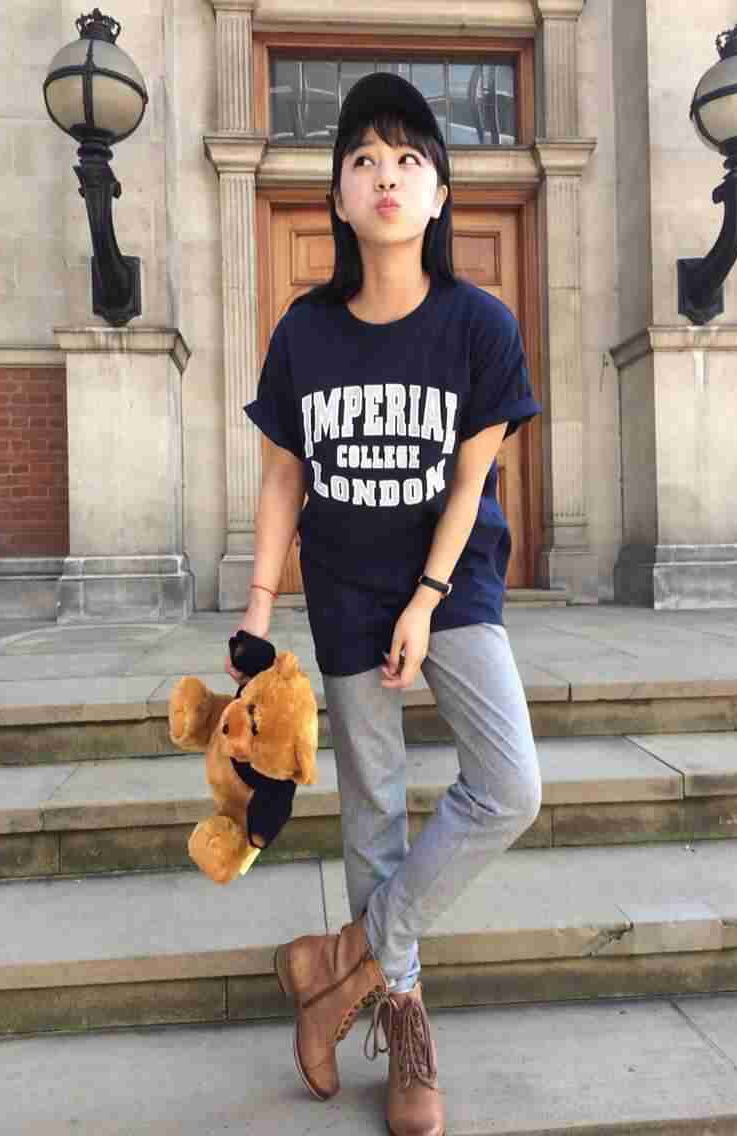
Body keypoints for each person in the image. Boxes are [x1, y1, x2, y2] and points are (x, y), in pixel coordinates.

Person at [226, 71, 543, 1136]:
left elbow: (472, 479)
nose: (386, 175)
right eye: (363, 159)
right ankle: (399, 1014)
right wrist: (258, 609)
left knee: (508, 784)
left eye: (409, 158)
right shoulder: (304, 333)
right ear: (339, 197)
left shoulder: (479, 324)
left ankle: (342, 959)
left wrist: (427, 597)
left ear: (442, 193)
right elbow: (284, 478)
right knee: (374, 806)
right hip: (345, 593)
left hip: (454, 588)